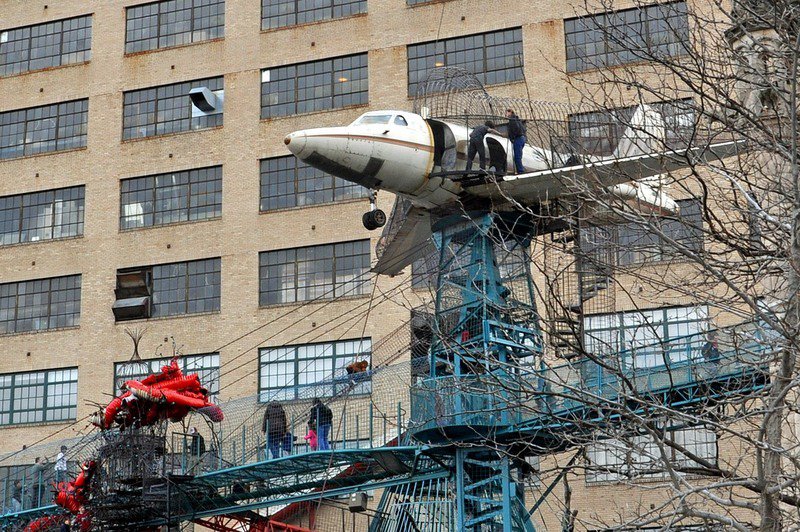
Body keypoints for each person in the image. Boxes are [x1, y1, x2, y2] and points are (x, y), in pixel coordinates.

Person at [505, 108, 527, 174]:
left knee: (517, 157)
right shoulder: (517, 119)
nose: (505, 114)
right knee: (518, 156)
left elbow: (516, 129)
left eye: (506, 113)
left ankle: (520, 171)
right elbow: (523, 129)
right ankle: (520, 169)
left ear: (510, 112)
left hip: (518, 138)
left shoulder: (512, 120)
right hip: (522, 138)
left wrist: (512, 136)